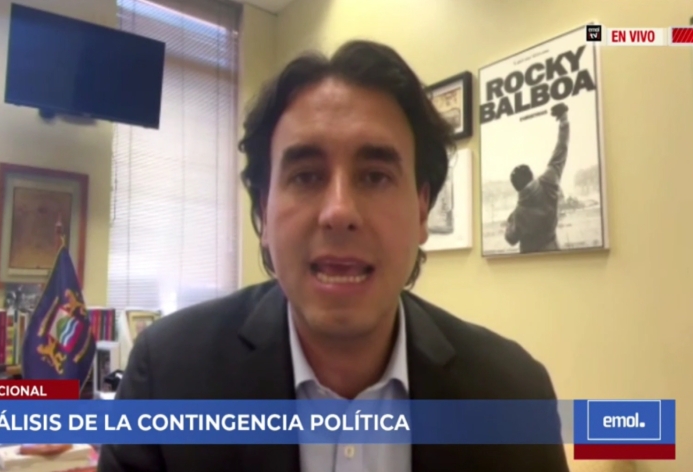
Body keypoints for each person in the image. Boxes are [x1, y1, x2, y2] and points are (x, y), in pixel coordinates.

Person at [97, 40, 569, 472]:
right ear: (262, 212)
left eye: (375, 176)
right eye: (306, 176)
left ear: (422, 209)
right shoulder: (167, 378)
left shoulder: (514, 395)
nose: (339, 211)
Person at [504, 103, 570, 253]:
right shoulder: (549, 181)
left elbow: (510, 238)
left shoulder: (519, 213)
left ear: (517, 188)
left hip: (530, 258)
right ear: (532, 175)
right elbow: (561, 148)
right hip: (553, 248)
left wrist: (510, 220)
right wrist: (563, 120)